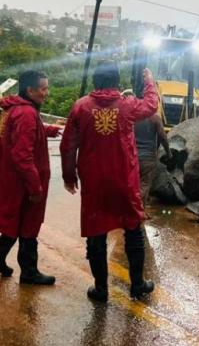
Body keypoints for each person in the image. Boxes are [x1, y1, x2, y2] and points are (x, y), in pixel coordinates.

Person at [60, 61, 159, 302]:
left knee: (96, 233)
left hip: (94, 182)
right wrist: (149, 81)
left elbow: (68, 145)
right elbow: (151, 105)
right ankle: (137, 286)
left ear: (95, 81)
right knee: (133, 230)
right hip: (124, 180)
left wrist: (69, 176)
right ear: (116, 82)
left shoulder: (80, 107)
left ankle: (101, 289)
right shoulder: (127, 105)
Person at [0, 70, 61, 285]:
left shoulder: (14, 110)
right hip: (23, 182)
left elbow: (27, 132)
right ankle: (29, 271)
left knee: (16, 222)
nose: (46, 93)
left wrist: (50, 130)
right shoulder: (26, 113)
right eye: (43, 89)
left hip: (12, 179)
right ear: (30, 90)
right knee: (28, 225)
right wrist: (35, 187)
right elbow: (22, 155)